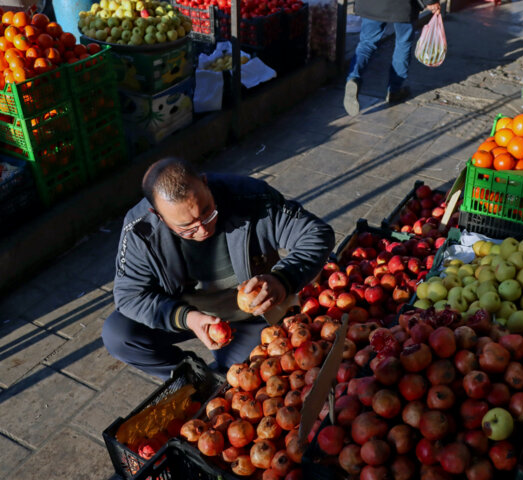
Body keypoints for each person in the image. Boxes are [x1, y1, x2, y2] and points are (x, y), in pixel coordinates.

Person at [102, 158, 335, 380]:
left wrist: (282, 279)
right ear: (159, 216)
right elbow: (129, 295)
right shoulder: (140, 230)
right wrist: (187, 318)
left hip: (248, 315)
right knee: (118, 334)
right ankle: (192, 378)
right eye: (187, 228)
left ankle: (222, 371)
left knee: (246, 380)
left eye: (207, 211)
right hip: (185, 312)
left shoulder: (251, 197)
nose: (203, 229)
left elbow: (316, 234)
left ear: (205, 183)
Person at [343, 0, 442, 116]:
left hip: (371, 4)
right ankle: (394, 90)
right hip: (403, 6)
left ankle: (353, 77)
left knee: (366, 44)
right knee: (403, 44)